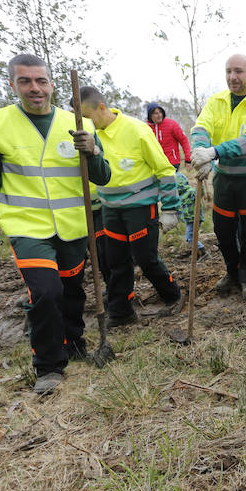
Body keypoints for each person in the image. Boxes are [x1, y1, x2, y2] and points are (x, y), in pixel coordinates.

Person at [0, 54, 111, 394]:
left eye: (40, 81)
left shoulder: (79, 123)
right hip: (26, 227)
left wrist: (92, 152)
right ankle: (49, 366)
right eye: (25, 81)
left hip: (73, 224)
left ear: (51, 84)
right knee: (46, 292)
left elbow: (103, 177)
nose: (34, 88)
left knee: (71, 291)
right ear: (12, 85)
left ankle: (74, 344)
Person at [78, 87, 183, 327]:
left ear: (101, 108)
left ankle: (173, 295)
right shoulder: (89, 137)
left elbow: (165, 170)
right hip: (110, 210)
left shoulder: (136, 130)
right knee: (116, 262)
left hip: (140, 208)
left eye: (86, 116)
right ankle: (121, 312)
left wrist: (170, 208)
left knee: (145, 258)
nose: (83, 123)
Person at [190, 54, 246, 301]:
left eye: (238, 71)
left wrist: (213, 152)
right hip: (224, 180)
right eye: (228, 71)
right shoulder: (216, 101)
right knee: (223, 230)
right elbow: (201, 128)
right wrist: (199, 151)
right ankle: (231, 271)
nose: (232, 77)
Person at [146, 102, 191, 169]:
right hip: (154, 165)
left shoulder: (172, 124)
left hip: (172, 163)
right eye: (156, 113)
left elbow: (183, 140)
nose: (159, 115)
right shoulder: (146, 128)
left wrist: (188, 159)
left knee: (169, 179)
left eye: (160, 112)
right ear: (150, 115)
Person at [175, 172, 205, 255]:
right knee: (191, 237)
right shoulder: (179, 197)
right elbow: (179, 209)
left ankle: (203, 251)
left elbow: (200, 194)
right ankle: (196, 252)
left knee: (190, 238)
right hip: (189, 220)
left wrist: (200, 184)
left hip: (195, 219)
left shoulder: (190, 192)